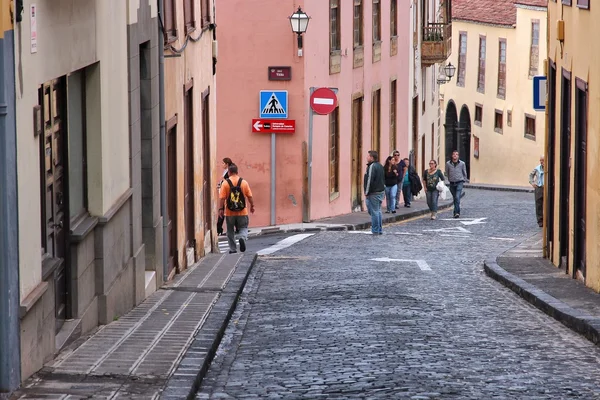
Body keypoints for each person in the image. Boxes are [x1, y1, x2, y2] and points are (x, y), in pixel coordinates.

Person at [218, 164, 255, 253]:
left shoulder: (225, 183)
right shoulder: (244, 182)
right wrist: (252, 206)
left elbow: (222, 198)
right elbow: (250, 196)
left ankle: (233, 249)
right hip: (242, 211)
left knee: (230, 230)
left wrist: (221, 209)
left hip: (229, 212)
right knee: (243, 227)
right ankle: (242, 237)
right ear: (237, 172)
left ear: (229, 172)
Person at [364, 150, 386, 235]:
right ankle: (379, 229)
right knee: (377, 211)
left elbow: (370, 180)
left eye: (368, 156)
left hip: (374, 192)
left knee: (374, 211)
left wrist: (366, 192)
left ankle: (375, 229)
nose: (367, 157)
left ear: (372, 157)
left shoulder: (372, 166)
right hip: (380, 191)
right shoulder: (380, 166)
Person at [445, 150, 468, 218]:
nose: (455, 155)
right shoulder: (448, 164)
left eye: (456, 154)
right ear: (452, 156)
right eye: (454, 154)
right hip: (452, 183)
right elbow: (446, 172)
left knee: (457, 197)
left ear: (458, 156)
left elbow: (464, 172)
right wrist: (448, 179)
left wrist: (464, 179)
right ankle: (456, 211)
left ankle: (456, 212)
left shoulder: (462, 164)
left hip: (459, 182)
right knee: (455, 198)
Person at [216, 158, 234, 236]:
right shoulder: (226, 171)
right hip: (224, 193)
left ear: (227, 164)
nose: (222, 165)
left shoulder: (229, 172)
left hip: (227, 194)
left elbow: (228, 181)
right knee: (224, 211)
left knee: (225, 211)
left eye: (223, 163)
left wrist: (223, 182)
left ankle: (219, 229)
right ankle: (219, 229)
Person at [529, 155, 545, 227]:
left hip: (546, 188)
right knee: (539, 204)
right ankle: (540, 221)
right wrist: (532, 183)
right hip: (539, 187)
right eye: (541, 160)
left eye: (543, 160)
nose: (542, 162)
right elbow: (531, 175)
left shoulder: (548, 168)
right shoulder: (537, 168)